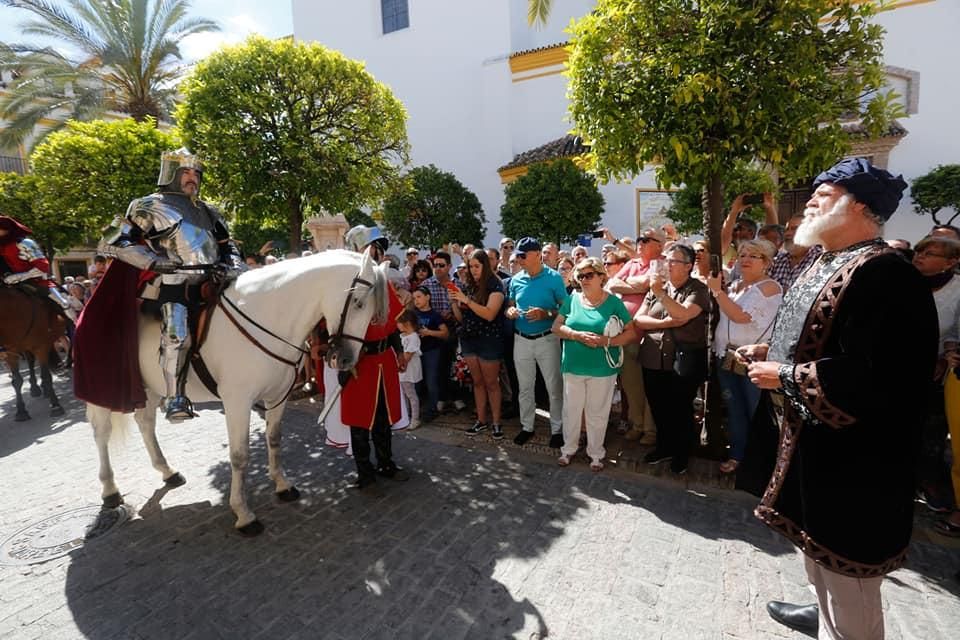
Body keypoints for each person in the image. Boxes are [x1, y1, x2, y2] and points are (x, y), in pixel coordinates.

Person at [741, 158, 937, 640]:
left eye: (824, 195)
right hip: (815, 446)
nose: (810, 200)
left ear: (861, 207)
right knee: (816, 550)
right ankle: (821, 612)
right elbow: (821, 337)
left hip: (857, 462)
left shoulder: (888, 275)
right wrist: (772, 350)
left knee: (848, 580)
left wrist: (783, 375)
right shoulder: (827, 261)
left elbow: (880, 377)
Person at [97, 147, 245, 421]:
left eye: (196, 173)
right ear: (172, 174)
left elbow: (229, 247)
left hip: (216, 280)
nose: (193, 178)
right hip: (176, 281)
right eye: (186, 172)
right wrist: (152, 261)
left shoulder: (209, 211)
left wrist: (232, 265)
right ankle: (175, 396)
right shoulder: (148, 205)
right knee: (176, 334)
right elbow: (112, 239)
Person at [340, 224, 409, 492]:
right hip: (359, 363)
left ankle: (386, 464)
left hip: (384, 361)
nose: (376, 254)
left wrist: (400, 352)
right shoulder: (346, 287)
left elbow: (392, 327)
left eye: (378, 250)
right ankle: (364, 472)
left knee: (382, 419)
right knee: (359, 422)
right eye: (371, 249)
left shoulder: (383, 283)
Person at [632, 244, 710, 475]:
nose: (668, 264)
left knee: (680, 408)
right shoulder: (659, 288)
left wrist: (662, 296)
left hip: (683, 357)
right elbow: (639, 319)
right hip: (654, 357)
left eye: (674, 261)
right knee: (658, 405)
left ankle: (682, 453)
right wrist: (666, 323)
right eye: (667, 260)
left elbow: (684, 315)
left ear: (688, 266)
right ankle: (664, 447)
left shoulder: (698, 289)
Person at [552, 257, 635, 471]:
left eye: (589, 275)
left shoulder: (614, 302)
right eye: (580, 276)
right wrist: (576, 335)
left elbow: (631, 332)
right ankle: (568, 449)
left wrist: (605, 341)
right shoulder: (573, 299)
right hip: (573, 365)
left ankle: (596, 453)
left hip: (602, 368)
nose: (584, 279)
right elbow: (556, 327)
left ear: (601, 277)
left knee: (597, 412)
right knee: (571, 410)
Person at [707, 239, 782, 474]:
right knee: (735, 410)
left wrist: (717, 291)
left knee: (757, 413)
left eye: (753, 255)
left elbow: (741, 316)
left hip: (753, 360)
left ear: (767, 262)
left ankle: (764, 463)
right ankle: (739, 456)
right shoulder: (736, 285)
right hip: (725, 355)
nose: (746, 259)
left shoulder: (771, 287)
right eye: (742, 254)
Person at [910, 236, 960, 515]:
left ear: (951, 262)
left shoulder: (958, 290)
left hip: (935, 376)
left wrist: (944, 356)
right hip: (895, 368)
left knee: (930, 433)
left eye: (930, 254)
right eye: (919, 251)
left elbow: (954, 331)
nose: (919, 257)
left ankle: (930, 483)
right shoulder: (903, 281)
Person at [506, 237, 569, 447]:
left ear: (536, 254)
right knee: (524, 387)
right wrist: (511, 311)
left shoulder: (554, 278)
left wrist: (547, 313)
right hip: (521, 339)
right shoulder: (516, 279)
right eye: (518, 256)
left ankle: (557, 430)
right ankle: (527, 427)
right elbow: (510, 305)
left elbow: (566, 309)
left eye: (523, 256)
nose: (519, 260)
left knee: (554, 387)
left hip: (547, 339)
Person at [606, 228, 665, 445]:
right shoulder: (632, 264)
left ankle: (650, 430)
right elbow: (612, 283)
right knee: (631, 385)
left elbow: (650, 285)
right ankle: (636, 425)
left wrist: (629, 286)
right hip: (627, 335)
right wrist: (638, 286)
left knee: (651, 385)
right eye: (639, 239)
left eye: (645, 240)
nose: (639, 242)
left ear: (659, 244)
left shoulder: (664, 264)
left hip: (651, 336)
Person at [450, 248, 507, 439]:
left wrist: (467, 300)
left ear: (485, 265)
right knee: (478, 382)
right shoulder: (469, 286)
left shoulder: (495, 285)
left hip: (489, 339)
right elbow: (461, 317)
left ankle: (497, 423)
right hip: (469, 338)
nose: (473, 270)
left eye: (477, 266)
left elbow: (490, 314)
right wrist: (455, 302)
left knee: (492, 383)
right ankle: (481, 421)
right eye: (470, 266)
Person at [0, 215, 82, 323]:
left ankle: (77, 326)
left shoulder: (25, 243)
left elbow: (43, 267)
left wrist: (18, 276)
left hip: (36, 281)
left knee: (64, 304)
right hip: (9, 282)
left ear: (6, 229)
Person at [411, 285, 448, 422]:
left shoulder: (434, 315)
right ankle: (416, 409)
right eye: (414, 298)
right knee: (416, 381)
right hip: (415, 352)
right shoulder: (412, 314)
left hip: (432, 351)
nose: (416, 300)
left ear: (428, 297)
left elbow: (445, 333)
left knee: (431, 380)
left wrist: (429, 332)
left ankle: (432, 409)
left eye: (419, 297)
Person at [769, 213, 823, 292]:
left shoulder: (820, 260)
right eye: (787, 229)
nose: (787, 233)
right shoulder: (777, 261)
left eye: (794, 229)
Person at [396, 309, 423, 431]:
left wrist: (397, 363)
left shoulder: (413, 337)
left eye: (399, 322)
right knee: (404, 395)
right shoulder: (403, 336)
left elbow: (407, 356)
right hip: (402, 370)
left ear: (407, 323)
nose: (397, 325)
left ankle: (415, 418)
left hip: (407, 370)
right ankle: (405, 417)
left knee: (411, 394)